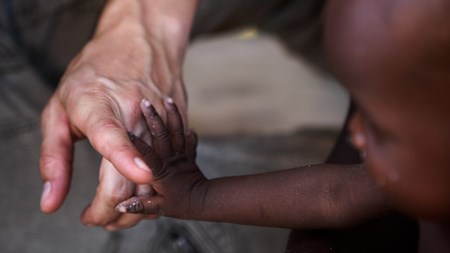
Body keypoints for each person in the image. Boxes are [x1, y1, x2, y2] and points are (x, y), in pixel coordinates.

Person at [116, 0, 450, 252]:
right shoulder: (419, 172)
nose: (354, 130)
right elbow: (333, 196)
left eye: (380, 128)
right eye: (359, 108)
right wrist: (197, 197)